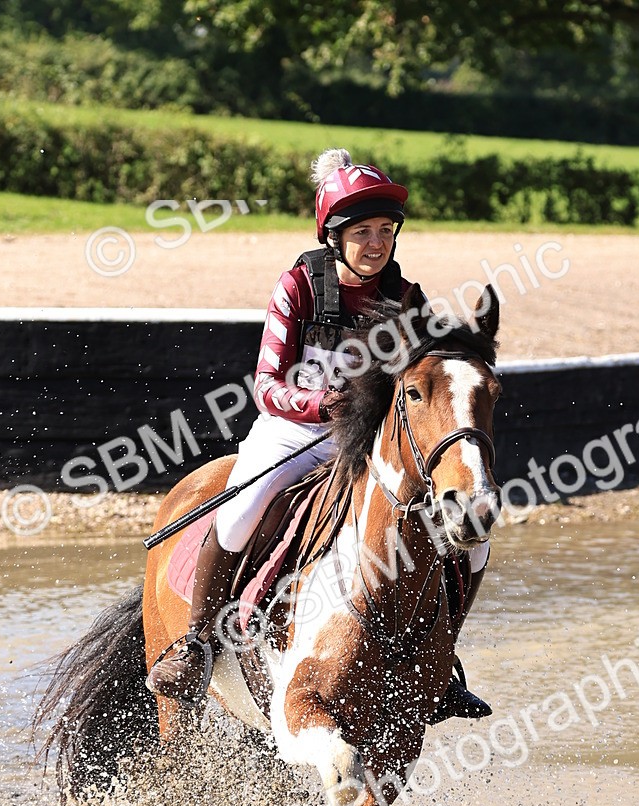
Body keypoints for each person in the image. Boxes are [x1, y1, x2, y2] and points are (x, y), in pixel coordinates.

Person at [146, 148, 491, 721]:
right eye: (362, 231)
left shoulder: (408, 300)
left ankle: (439, 659)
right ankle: (196, 644)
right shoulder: (298, 286)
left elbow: (421, 385)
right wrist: (319, 404)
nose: (376, 243)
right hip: (291, 431)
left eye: (386, 230)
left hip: (370, 443)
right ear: (335, 235)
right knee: (240, 508)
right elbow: (266, 383)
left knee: (474, 535)